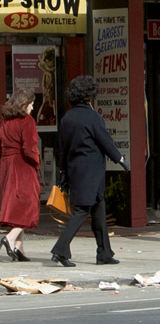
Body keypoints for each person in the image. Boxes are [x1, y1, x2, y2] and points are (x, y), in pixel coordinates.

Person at [49, 76, 126, 266]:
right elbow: (105, 140)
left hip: (75, 170)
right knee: (82, 211)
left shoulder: (67, 118)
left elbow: (62, 148)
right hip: (92, 171)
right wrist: (119, 158)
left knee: (99, 210)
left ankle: (104, 252)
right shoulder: (93, 117)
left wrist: (62, 170)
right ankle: (60, 249)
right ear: (90, 95)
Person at [1, 88, 41, 262]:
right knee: (29, 204)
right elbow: (29, 148)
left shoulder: (5, 120)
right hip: (22, 165)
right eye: (31, 104)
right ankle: (10, 238)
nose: (32, 107)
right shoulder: (27, 121)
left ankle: (19, 247)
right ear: (25, 104)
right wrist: (37, 162)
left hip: (6, 164)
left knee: (17, 205)